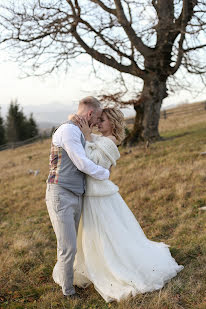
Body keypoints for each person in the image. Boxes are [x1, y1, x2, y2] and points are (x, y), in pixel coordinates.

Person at [70, 107, 184, 303]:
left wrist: (87, 137)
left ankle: (115, 267)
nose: (99, 124)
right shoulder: (99, 138)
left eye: (103, 121)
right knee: (93, 233)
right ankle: (95, 264)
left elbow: (95, 163)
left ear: (112, 123)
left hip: (101, 196)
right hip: (90, 194)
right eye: (99, 120)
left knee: (108, 233)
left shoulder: (112, 141)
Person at [45, 96, 110, 299]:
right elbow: (82, 163)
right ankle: (68, 292)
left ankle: (69, 280)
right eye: (97, 117)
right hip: (61, 194)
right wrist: (105, 174)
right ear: (90, 113)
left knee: (71, 244)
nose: (97, 122)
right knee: (67, 247)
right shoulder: (68, 131)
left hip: (75, 193)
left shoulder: (78, 131)